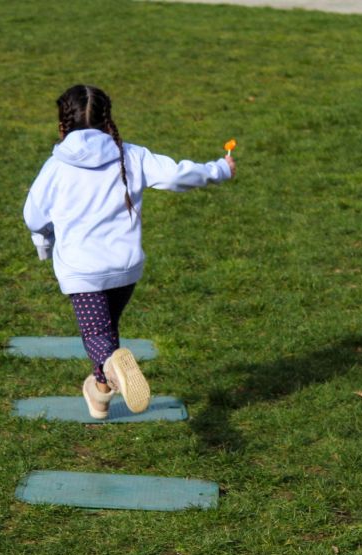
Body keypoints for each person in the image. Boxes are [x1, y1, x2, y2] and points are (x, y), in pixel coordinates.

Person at [24, 84, 236, 420]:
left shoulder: (56, 166)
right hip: (125, 270)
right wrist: (220, 169)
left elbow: (34, 216)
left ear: (62, 122)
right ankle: (100, 395)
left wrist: (44, 243)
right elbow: (177, 175)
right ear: (107, 119)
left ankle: (111, 368)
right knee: (107, 329)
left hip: (84, 271)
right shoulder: (132, 155)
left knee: (98, 336)